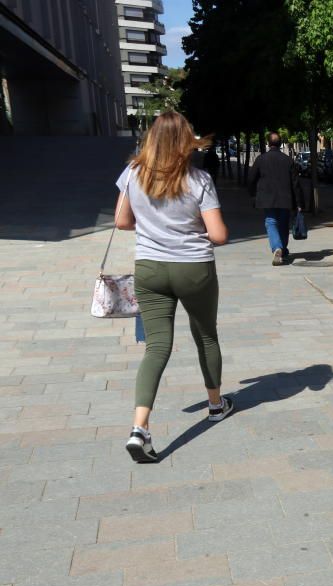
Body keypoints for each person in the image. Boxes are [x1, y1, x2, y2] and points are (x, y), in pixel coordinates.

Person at [113, 111, 233, 463]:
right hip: (193, 269)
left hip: (149, 269)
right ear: (185, 142)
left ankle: (140, 429)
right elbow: (219, 235)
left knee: (156, 347)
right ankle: (215, 405)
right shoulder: (199, 180)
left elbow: (121, 221)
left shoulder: (133, 175)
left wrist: (154, 228)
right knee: (206, 336)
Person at [249, 132, 303, 266]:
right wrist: (299, 203)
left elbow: (251, 179)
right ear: (280, 144)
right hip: (286, 198)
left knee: (270, 221)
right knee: (284, 225)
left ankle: (277, 247)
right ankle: (282, 249)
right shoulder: (288, 160)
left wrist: (253, 194)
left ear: (268, 143)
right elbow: (295, 183)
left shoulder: (261, 159)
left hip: (267, 198)